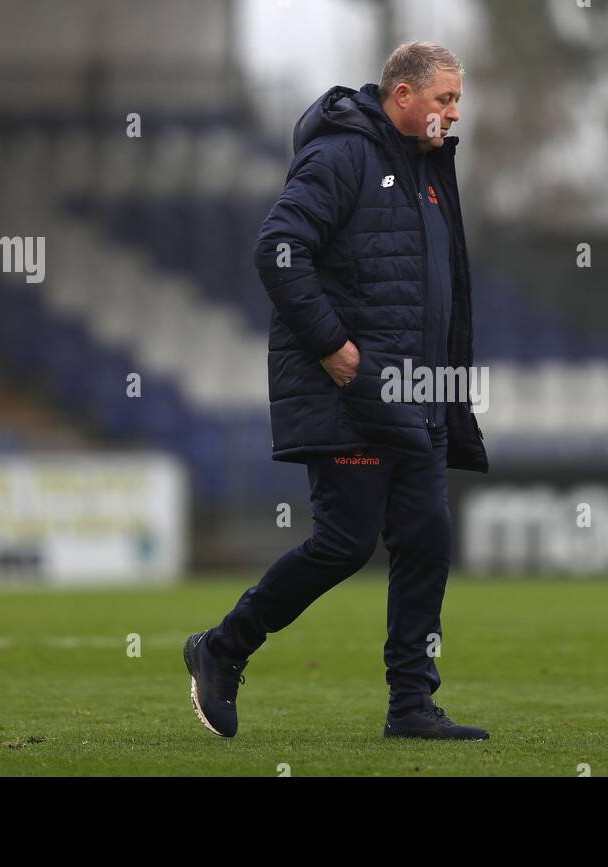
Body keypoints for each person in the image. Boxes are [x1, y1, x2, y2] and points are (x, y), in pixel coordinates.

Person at [183, 41, 489, 740]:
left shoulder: (429, 167)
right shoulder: (343, 155)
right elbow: (279, 247)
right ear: (402, 96)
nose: (454, 110)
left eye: (457, 99)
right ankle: (223, 646)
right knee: (345, 544)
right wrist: (336, 351)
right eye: (444, 98)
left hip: (419, 394)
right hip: (356, 393)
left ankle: (411, 704)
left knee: (427, 540)